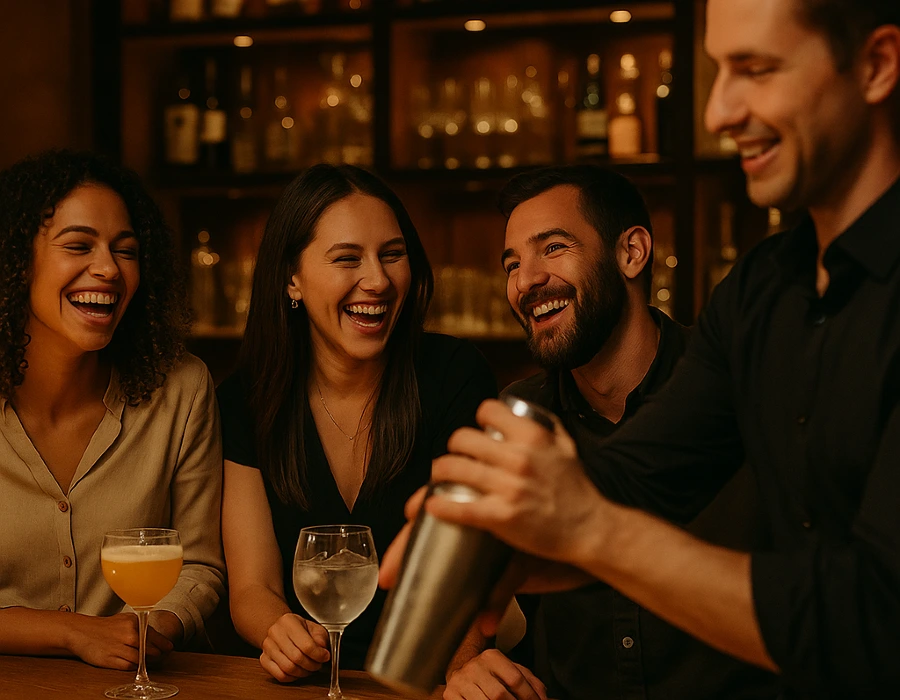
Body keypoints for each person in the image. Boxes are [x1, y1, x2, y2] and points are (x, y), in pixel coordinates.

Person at [383, 1, 900, 697]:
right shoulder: (758, 289)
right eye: (720, 71)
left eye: (756, 69)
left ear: (876, 66)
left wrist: (588, 531)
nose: (717, 112)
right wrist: (495, 541)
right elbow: (643, 475)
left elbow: (873, 616)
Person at [444, 165, 776, 700]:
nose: (525, 281)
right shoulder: (518, 415)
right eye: (512, 263)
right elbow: (468, 580)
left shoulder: (734, 392)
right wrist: (466, 664)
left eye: (552, 248)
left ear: (632, 253)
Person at [217, 163, 497, 683]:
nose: (379, 280)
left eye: (392, 255)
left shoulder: (454, 377)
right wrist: (279, 630)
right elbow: (253, 586)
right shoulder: (247, 398)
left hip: (424, 678)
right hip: (301, 686)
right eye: (348, 259)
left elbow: (466, 574)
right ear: (291, 278)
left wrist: (457, 678)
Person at [0, 149, 226, 669]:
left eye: (126, 251)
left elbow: (198, 564)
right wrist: (72, 633)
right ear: (16, 258)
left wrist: (147, 628)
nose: (107, 268)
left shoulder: (182, 390)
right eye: (78, 245)